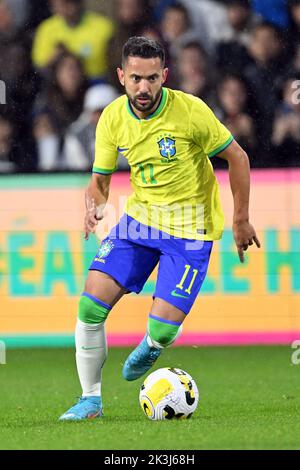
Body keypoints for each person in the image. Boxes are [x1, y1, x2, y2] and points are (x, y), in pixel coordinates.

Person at [59, 36, 260, 421]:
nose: (144, 87)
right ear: (121, 76)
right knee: (89, 308)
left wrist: (240, 218)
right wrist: (94, 206)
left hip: (191, 231)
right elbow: (100, 179)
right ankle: (90, 400)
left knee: (165, 331)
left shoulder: (190, 112)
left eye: (152, 78)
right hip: (140, 223)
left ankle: (153, 343)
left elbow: (238, 157)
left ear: (165, 75)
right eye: (135, 78)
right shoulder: (113, 118)